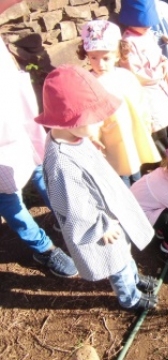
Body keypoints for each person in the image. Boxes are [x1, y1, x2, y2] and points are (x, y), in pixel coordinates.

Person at [37, 65, 158, 311]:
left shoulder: (70, 135)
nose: (100, 124)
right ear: (68, 121)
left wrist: (89, 139)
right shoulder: (61, 162)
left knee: (124, 251)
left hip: (108, 208)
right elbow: (72, 205)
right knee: (116, 260)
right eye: (93, 120)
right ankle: (129, 297)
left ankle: (135, 279)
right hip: (98, 224)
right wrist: (100, 226)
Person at [0, 0, 78, 279]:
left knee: (43, 170)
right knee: (8, 197)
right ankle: (43, 249)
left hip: (19, 125)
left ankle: (65, 218)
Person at [78, 19, 161, 187]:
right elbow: (88, 115)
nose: (99, 64)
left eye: (106, 58)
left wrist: (147, 121)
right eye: (93, 58)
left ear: (118, 54)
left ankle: (138, 189)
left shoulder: (126, 76)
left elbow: (140, 101)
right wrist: (93, 136)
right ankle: (128, 198)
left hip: (132, 130)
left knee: (134, 160)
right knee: (119, 171)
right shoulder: (88, 83)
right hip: (110, 138)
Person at [118, 0, 168, 155]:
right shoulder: (128, 42)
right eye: (144, 24)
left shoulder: (148, 34)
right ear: (131, 20)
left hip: (161, 86)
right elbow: (134, 73)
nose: (149, 26)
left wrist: (165, 63)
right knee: (157, 125)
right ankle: (165, 158)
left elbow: (158, 55)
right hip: (148, 91)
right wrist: (157, 75)